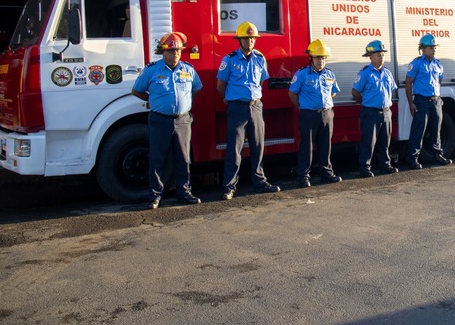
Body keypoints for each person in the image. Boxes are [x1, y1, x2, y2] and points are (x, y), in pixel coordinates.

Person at [131, 32, 202, 209]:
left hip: (183, 120)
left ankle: (184, 193)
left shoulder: (188, 69)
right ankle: (155, 196)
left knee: (184, 159)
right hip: (160, 120)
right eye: (171, 51)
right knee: (158, 159)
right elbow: (137, 90)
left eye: (178, 50)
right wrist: (154, 100)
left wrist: (183, 104)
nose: (175, 54)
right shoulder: (152, 70)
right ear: (163, 52)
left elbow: (196, 88)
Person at [217, 21, 280, 199]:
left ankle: (259, 182)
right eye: (246, 38)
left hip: (256, 106)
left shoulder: (260, 58)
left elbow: (261, 81)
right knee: (234, 148)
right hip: (237, 107)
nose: (249, 41)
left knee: (258, 146)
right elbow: (221, 85)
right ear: (239, 40)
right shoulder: (229, 59)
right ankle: (229, 186)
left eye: (252, 38)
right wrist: (229, 99)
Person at [289, 39, 342, 188]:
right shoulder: (302, 74)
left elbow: (333, 92)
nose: (321, 61)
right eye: (318, 58)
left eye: (323, 58)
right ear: (311, 58)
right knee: (306, 147)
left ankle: (327, 174)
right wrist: (302, 107)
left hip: (327, 114)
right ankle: (303, 177)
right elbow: (292, 93)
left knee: (326, 146)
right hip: (309, 115)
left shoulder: (330, 74)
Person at [405, 34, 452, 169]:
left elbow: (439, 81)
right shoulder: (416, 63)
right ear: (423, 49)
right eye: (431, 47)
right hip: (422, 101)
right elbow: (408, 83)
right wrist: (411, 102)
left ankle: (437, 155)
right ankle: (413, 158)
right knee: (418, 130)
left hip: (435, 100)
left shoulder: (438, 64)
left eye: (434, 47)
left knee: (436, 129)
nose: (433, 50)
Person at [352, 39, 398, 178]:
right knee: (368, 142)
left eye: (382, 54)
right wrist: (367, 103)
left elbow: (391, 90)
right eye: (378, 55)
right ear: (370, 57)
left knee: (385, 141)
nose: (381, 57)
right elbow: (355, 92)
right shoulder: (365, 73)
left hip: (386, 112)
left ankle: (385, 165)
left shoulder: (387, 73)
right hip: (370, 112)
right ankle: (365, 168)